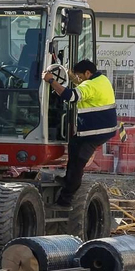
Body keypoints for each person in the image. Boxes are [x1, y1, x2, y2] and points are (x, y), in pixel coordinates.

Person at [45, 59, 117, 207]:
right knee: (74, 143)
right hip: (102, 129)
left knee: (78, 162)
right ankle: (68, 178)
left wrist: (51, 80)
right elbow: (82, 87)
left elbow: (70, 96)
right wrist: (69, 75)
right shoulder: (101, 79)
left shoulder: (90, 85)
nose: (78, 79)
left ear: (88, 73)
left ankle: (66, 199)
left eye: (79, 76)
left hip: (95, 132)